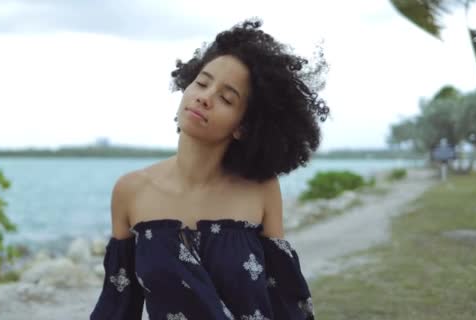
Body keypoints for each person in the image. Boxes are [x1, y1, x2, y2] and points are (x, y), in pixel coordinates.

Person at [90, 17, 329, 320]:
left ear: (243, 127)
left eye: (226, 98)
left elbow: (284, 299)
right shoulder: (130, 191)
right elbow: (118, 302)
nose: (205, 97)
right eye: (202, 83)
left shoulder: (261, 190)